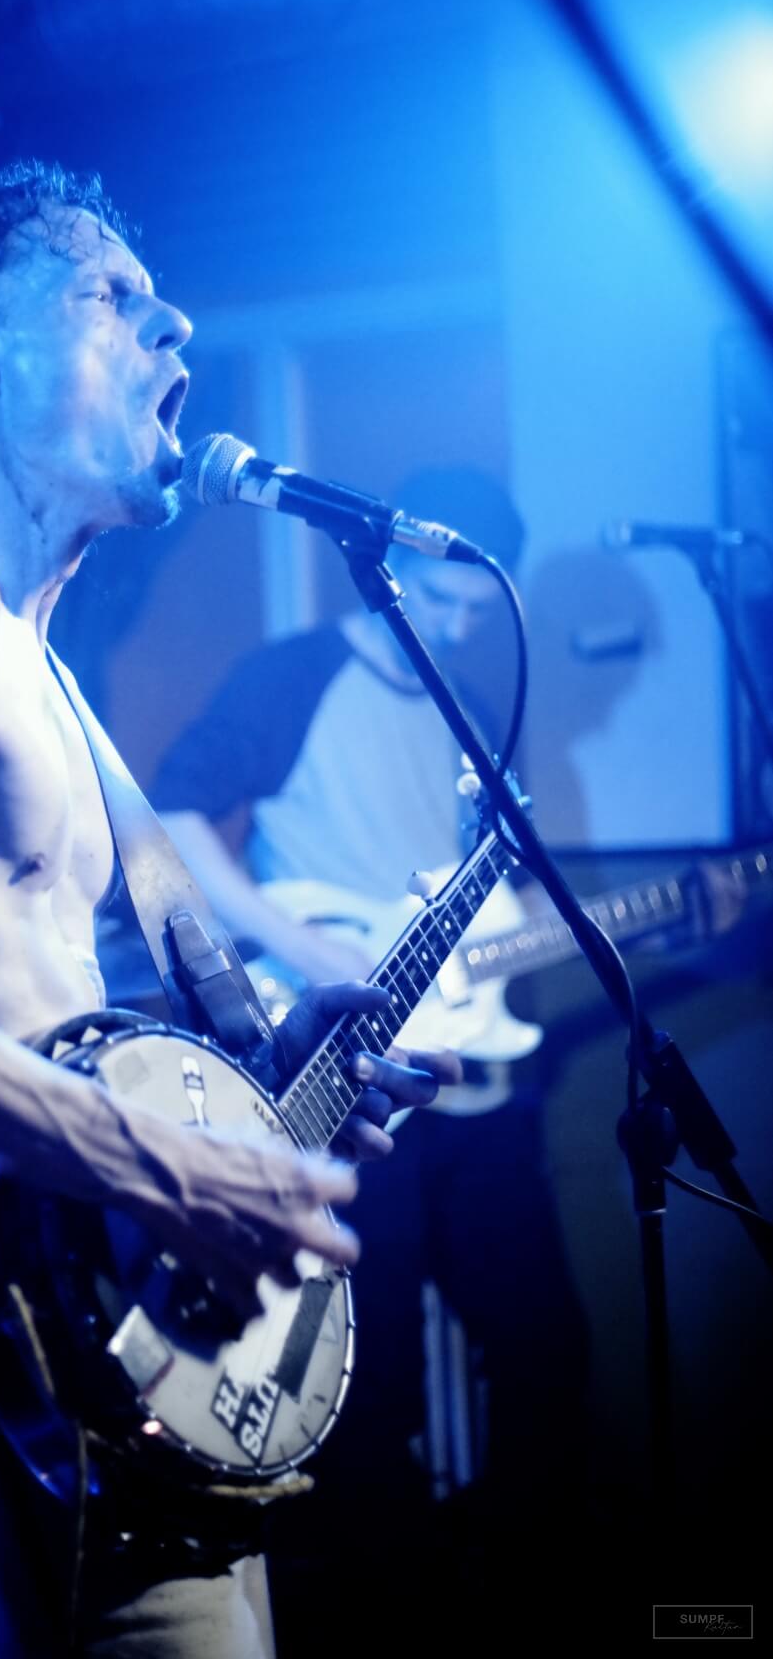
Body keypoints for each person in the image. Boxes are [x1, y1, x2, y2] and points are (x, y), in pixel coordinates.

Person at [0, 158, 461, 1659]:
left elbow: (35, 1014)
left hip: (121, 1356)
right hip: (16, 1371)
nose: (174, 327)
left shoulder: (33, 668)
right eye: (110, 297)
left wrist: (262, 1089)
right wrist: (166, 1170)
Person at [152, 470, 593, 1618]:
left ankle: (517, 1590)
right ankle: (392, 1607)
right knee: (372, 1369)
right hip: (348, 1073)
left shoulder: (470, 706)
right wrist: (301, 940)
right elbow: (176, 808)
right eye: (438, 600)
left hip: (472, 1075)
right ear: (392, 571)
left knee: (547, 1348)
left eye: (475, 610)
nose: (452, 625)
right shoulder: (293, 676)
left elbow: (487, 878)